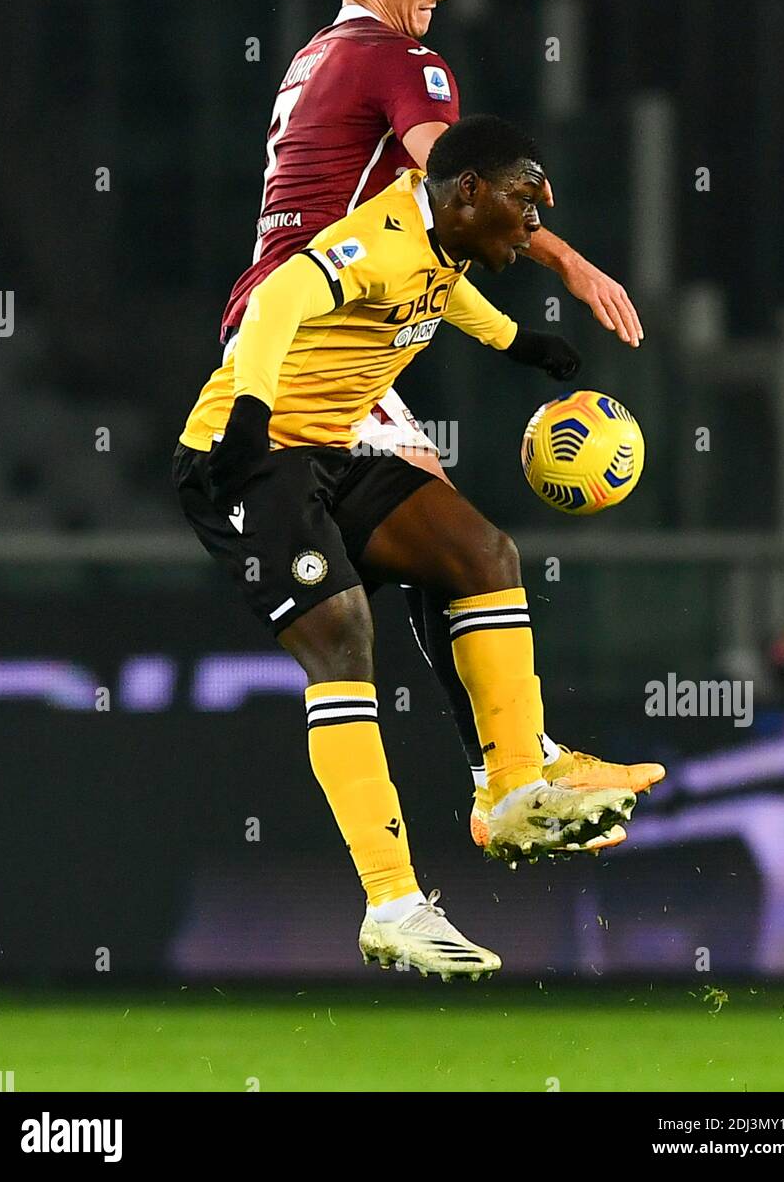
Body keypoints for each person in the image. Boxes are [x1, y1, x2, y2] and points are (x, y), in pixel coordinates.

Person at [219, 0, 661, 853]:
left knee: (450, 551)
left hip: (324, 330)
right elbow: (460, 182)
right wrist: (571, 264)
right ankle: (506, 774)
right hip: (318, 339)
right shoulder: (396, 59)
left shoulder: (314, 57)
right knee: (462, 554)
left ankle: (508, 766)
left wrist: (507, 330)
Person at [173, 116, 640, 978]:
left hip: (332, 451)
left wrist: (516, 341)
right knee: (344, 634)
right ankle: (392, 903)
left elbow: (440, 294)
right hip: (245, 460)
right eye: (523, 206)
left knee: (481, 552)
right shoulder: (376, 239)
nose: (533, 227)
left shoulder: (442, 242)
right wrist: (247, 415)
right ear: (468, 192)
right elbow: (279, 300)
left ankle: (510, 788)